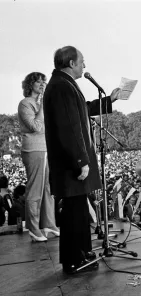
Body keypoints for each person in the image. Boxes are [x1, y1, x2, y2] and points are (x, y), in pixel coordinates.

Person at [43, 46, 120, 274]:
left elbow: (81, 111)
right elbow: (69, 127)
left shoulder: (62, 85)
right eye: (82, 62)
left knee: (76, 212)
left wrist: (109, 101)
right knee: (74, 214)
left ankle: (80, 256)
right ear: (70, 63)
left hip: (69, 163)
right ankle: (75, 260)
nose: (84, 66)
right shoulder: (61, 87)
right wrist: (80, 160)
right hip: (71, 164)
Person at [18, 72, 59, 242]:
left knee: (48, 189)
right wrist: (42, 106)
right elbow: (35, 127)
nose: (42, 84)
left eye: (44, 81)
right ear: (30, 84)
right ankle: (34, 228)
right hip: (34, 149)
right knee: (35, 190)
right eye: (38, 81)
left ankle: (49, 224)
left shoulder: (41, 103)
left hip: (46, 148)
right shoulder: (25, 104)